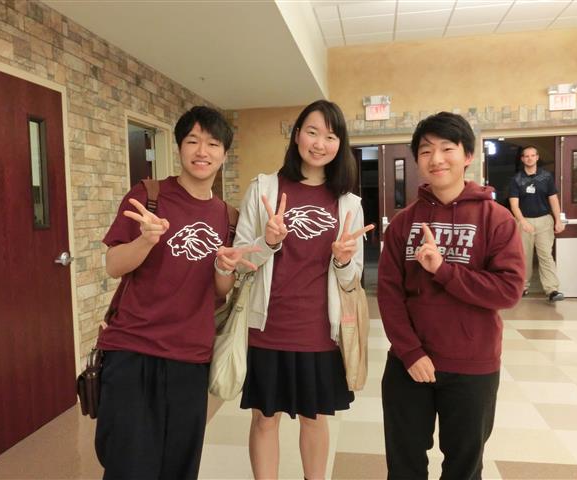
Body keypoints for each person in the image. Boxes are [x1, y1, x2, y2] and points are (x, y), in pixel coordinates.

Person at [95, 106, 256, 480]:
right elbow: (113, 265)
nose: (202, 151)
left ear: (224, 154)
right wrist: (146, 241)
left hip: (190, 357)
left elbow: (219, 294)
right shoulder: (148, 196)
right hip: (133, 350)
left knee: (179, 467)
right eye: (193, 141)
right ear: (179, 147)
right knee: (127, 466)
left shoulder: (228, 217)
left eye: (212, 144)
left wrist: (224, 269)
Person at [377, 112, 525, 480]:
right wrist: (410, 352)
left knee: (463, 468)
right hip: (409, 366)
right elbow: (389, 295)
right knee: (404, 466)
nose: (437, 159)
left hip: (472, 367)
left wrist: (443, 270)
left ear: (468, 155)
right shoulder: (403, 223)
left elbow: (508, 290)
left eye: (447, 148)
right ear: (417, 159)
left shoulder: (497, 219)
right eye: (426, 151)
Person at [233, 100, 374, 480]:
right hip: (267, 326)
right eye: (312, 132)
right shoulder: (264, 188)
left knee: (314, 418)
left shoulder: (348, 203)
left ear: (340, 144)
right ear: (297, 135)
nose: (319, 143)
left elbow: (352, 278)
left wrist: (342, 261)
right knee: (265, 418)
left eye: (330, 136)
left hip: (320, 330)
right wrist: (268, 242)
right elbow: (241, 260)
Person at [508, 145, 566, 301]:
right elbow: (514, 204)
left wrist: (558, 220)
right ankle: (522, 287)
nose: (529, 158)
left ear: (537, 157)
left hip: (544, 221)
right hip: (524, 221)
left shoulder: (546, 177)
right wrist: (522, 221)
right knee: (524, 256)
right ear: (522, 159)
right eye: (526, 156)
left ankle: (552, 290)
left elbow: (553, 199)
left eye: (532, 155)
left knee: (546, 255)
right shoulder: (516, 179)